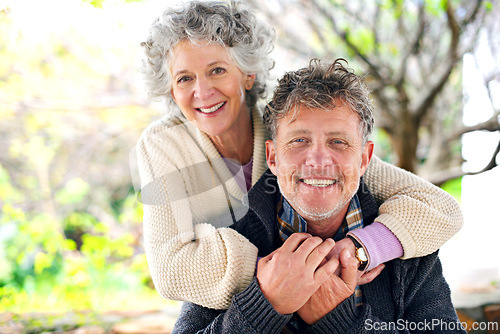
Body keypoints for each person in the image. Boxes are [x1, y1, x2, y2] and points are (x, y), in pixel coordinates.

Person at [136, 0, 463, 310]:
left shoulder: (290, 130)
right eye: (184, 78)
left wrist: (361, 249)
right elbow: (171, 269)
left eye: (217, 70)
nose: (202, 91)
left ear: (248, 74)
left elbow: (439, 207)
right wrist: (284, 272)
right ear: (170, 89)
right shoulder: (162, 145)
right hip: (249, 307)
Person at [172, 58, 465, 333]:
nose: (318, 160)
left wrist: (337, 321)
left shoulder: (409, 243)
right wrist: (265, 304)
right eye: (299, 141)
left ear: (364, 159)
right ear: (272, 157)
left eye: (338, 142)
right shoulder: (227, 236)